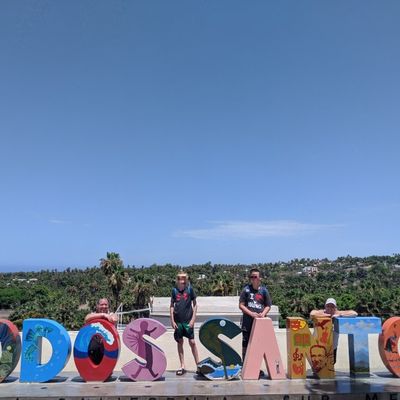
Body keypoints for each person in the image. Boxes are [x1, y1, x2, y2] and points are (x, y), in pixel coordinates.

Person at [170, 271, 200, 376]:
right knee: (180, 342)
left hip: (188, 321)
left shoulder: (190, 289)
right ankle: (182, 366)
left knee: (192, 342)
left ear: (186, 279)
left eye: (183, 278)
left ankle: (198, 366)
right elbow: (172, 306)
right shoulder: (174, 291)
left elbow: (195, 304)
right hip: (178, 321)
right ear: (177, 280)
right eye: (179, 278)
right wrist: (172, 320)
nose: (181, 280)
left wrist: (193, 319)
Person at [310, 298, 357, 363]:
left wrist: (340, 315)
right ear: (325, 306)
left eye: (332, 306)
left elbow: (354, 313)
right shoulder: (321, 312)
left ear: (335, 308)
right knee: (317, 362)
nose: (330, 308)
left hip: (333, 345)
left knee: (332, 362)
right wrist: (328, 316)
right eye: (328, 306)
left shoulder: (338, 313)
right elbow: (312, 314)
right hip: (318, 345)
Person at [239, 268, 272, 362]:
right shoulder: (246, 290)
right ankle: (245, 364)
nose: (253, 279)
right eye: (251, 277)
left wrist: (263, 314)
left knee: (259, 345)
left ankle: (256, 366)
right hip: (247, 323)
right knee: (246, 344)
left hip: (260, 324)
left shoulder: (264, 291)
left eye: (255, 277)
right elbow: (241, 305)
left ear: (260, 278)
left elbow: (268, 306)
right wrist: (251, 314)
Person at [84, 298, 118, 365]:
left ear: (108, 306)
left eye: (106, 304)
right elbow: (86, 318)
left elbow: (114, 319)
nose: (104, 306)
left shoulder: (111, 314)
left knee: (106, 368)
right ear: (97, 306)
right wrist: (103, 315)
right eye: (101, 304)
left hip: (107, 348)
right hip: (94, 348)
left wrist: (107, 316)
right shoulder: (93, 314)